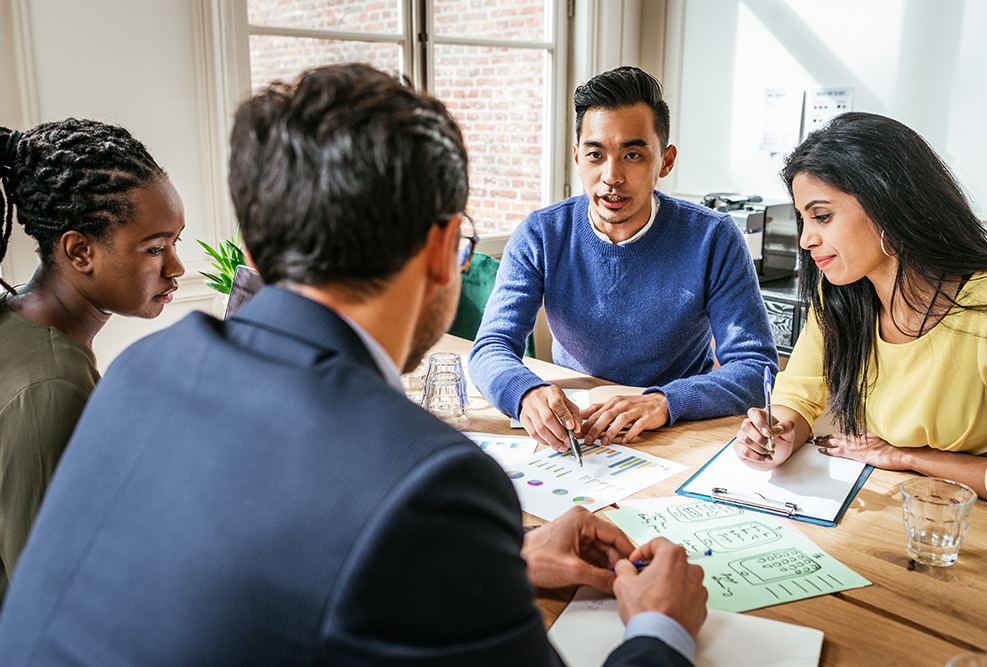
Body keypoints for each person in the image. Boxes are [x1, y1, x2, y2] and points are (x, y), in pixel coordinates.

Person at [0, 64, 707, 665]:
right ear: (439, 251)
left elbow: (266, 561)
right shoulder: (432, 482)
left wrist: (501, 564)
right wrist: (659, 626)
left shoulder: (143, 371)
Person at [468, 66, 778, 452]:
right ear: (578, 158)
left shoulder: (713, 237)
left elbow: (755, 367)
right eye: (596, 155)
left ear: (665, 161)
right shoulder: (541, 234)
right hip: (577, 426)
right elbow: (490, 346)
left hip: (678, 425)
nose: (611, 175)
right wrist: (526, 392)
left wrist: (663, 401)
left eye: (632, 154)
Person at [735, 112, 987, 507]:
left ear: (888, 203)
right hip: (892, 503)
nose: (807, 239)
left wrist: (907, 457)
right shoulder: (841, 295)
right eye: (803, 219)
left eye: (822, 216)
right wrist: (781, 429)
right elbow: (800, 392)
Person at [0, 119, 185, 598]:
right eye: (155, 248)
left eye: (175, 243)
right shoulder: (51, 388)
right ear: (80, 251)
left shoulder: (17, 322)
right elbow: (49, 602)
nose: (176, 268)